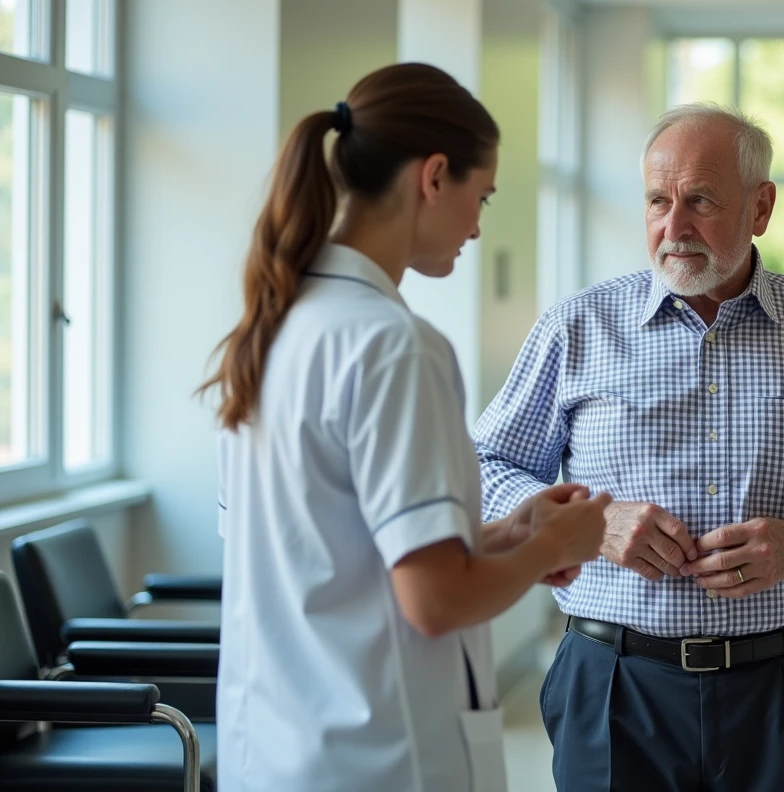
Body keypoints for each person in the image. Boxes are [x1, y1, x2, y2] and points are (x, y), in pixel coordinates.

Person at [472, 103, 784, 791]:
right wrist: (591, 526)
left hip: (780, 692)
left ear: (762, 206)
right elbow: (487, 465)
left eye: (700, 200)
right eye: (658, 201)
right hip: (612, 687)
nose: (673, 227)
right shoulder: (577, 328)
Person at [200, 62, 610, 792]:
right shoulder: (396, 346)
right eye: (479, 197)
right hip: (378, 758)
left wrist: (504, 536)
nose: (479, 227)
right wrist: (554, 543)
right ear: (434, 176)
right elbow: (435, 602)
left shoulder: (271, 330)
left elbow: (329, 554)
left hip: (273, 750)